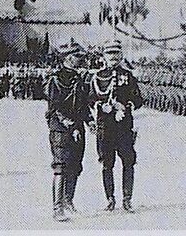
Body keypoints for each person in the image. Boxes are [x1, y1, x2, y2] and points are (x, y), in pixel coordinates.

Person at [88, 39, 143, 213]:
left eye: (116, 53)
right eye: (109, 53)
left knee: (128, 162)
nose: (113, 56)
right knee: (107, 164)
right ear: (103, 56)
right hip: (105, 127)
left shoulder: (128, 76)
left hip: (124, 127)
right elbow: (90, 98)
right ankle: (110, 199)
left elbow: (138, 99)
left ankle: (127, 199)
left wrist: (125, 106)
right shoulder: (97, 77)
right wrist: (100, 105)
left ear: (121, 55)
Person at [45, 41, 90, 222]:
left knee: (75, 166)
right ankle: (57, 208)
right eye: (78, 57)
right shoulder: (55, 79)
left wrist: (90, 121)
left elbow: (83, 105)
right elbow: (55, 108)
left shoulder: (79, 78)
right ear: (68, 58)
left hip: (78, 129)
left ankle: (68, 201)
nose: (81, 60)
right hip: (60, 129)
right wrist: (70, 126)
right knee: (61, 167)